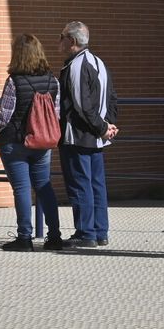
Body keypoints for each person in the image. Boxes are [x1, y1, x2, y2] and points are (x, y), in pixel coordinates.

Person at [0, 33, 66, 252]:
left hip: (15, 142)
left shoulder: (15, 81)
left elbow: (5, 115)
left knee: (22, 188)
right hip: (43, 142)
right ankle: (55, 236)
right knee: (44, 186)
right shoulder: (53, 81)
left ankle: (24, 237)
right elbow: (56, 112)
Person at [57, 20, 118, 248]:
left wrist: (102, 127)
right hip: (96, 136)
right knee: (96, 184)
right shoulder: (99, 62)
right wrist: (108, 124)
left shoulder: (76, 65)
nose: (59, 41)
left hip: (79, 135)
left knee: (81, 183)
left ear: (71, 41)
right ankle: (100, 231)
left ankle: (86, 233)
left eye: (61, 36)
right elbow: (112, 97)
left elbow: (82, 105)